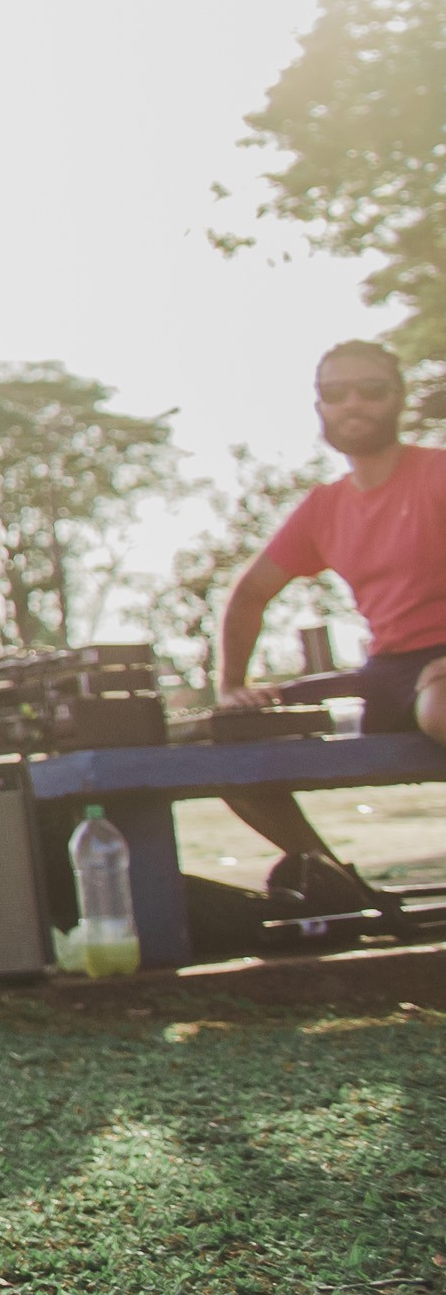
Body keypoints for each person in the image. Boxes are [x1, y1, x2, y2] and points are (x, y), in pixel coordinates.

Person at [213, 339, 446, 915]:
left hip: (440, 671)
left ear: (399, 399)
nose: (353, 404)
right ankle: (342, 886)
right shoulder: (324, 506)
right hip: (387, 671)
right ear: (320, 406)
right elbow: (247, 596)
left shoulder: (437, 473)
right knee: (230, 740)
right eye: (335, 394)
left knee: (441, 704)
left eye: (371, 390)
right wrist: (231, 684)